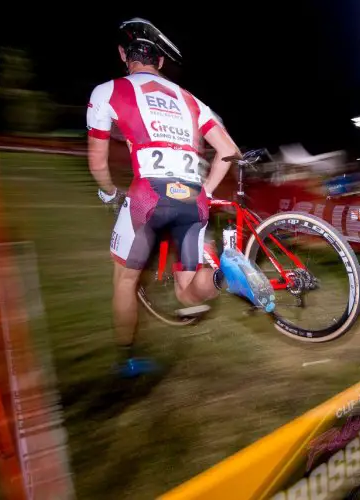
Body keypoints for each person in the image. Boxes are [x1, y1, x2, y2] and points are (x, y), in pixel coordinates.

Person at [87, 18, 273, 376]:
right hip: (192, 198)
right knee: (190, 290)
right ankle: (224, 278)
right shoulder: (191, 100)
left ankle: (126, 360)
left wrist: (109, 193)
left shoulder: (107, 91)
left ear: (123, 54)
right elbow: (229, 150)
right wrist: (204, 190)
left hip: (148, 195)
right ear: (159, 61)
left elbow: (97, 161)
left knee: (124, 280)